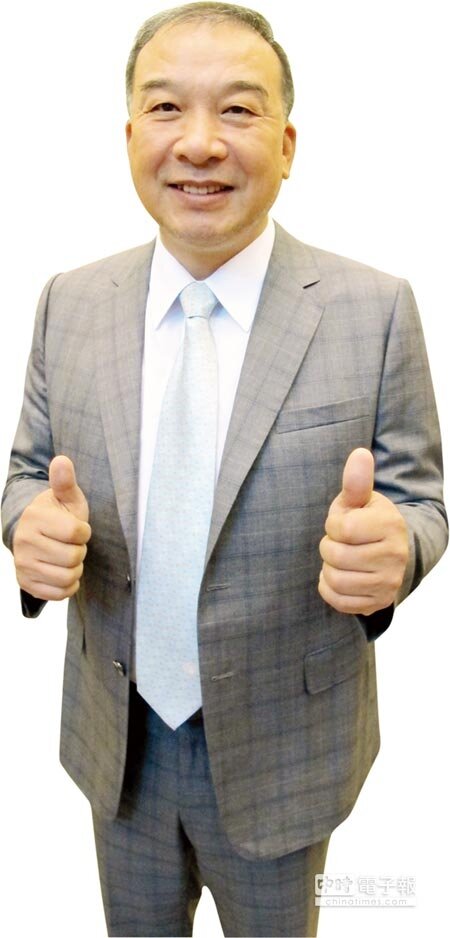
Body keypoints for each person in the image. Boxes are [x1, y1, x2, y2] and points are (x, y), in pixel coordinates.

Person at [1, 2, 447, 936]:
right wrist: (26, 528)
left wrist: (398, 548)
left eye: (238, 110)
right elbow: (28, 474)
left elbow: (420, 497)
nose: (199, 143)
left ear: (286, 145)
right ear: (130, 136)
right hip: (117, 746)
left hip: (288, 747)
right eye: (166, 108)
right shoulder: (68, 303)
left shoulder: (374, 310)